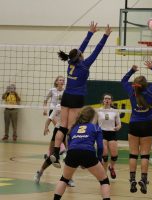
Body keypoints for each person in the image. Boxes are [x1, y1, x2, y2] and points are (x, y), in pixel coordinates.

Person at [50, 21, 112, 168]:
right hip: (77, 98)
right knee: (72, 128)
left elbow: (80, 49)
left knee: (62, 126)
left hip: (66, 97)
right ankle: (71, 155)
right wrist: (105, 36)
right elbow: (98, 49)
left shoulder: (70, 62)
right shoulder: (84, 65)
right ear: (80, 56)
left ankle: (55, 152)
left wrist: (90, 33)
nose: (82, 52)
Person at [121, 60, 152, 194]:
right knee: (145, 156)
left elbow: (123, 81)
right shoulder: (151, 91)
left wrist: (132, 70)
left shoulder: (131, 92)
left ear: (135, 85)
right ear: (145, 85)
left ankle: (132, 179)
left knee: (133, 154)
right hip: (146, 125)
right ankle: (143, 180)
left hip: (134, 124)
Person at [53, 106, 110, 200]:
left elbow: (69, 145)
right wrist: (99, 159)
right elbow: (100, 147)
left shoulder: (74, 127)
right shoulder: (96, 127)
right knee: (104, 180)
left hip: (72, 153)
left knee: (64, 179)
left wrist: (75, 158)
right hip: (88, 153)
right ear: (93, 117)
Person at [34, 104, 75, 187]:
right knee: (52, 156)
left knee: (69, 157)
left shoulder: (74, 107)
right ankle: (40, 172)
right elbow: (49, 118)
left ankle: (68, 178)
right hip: (58, 130)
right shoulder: (59, 106)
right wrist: (46, 127)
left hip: (69, 131)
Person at [97, 94, 122, 179]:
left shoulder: (115, 111)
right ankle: (104, 174)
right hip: (102, 132)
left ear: (111, 101)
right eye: (105, 98)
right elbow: (93, 123)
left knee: (114, 155)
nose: (107, 100)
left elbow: (119, 124)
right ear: (103, 100)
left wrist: (117, 127)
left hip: (112, 132)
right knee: (105, 155)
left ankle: (111, 167)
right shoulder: (98, 110)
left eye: (109, 99)